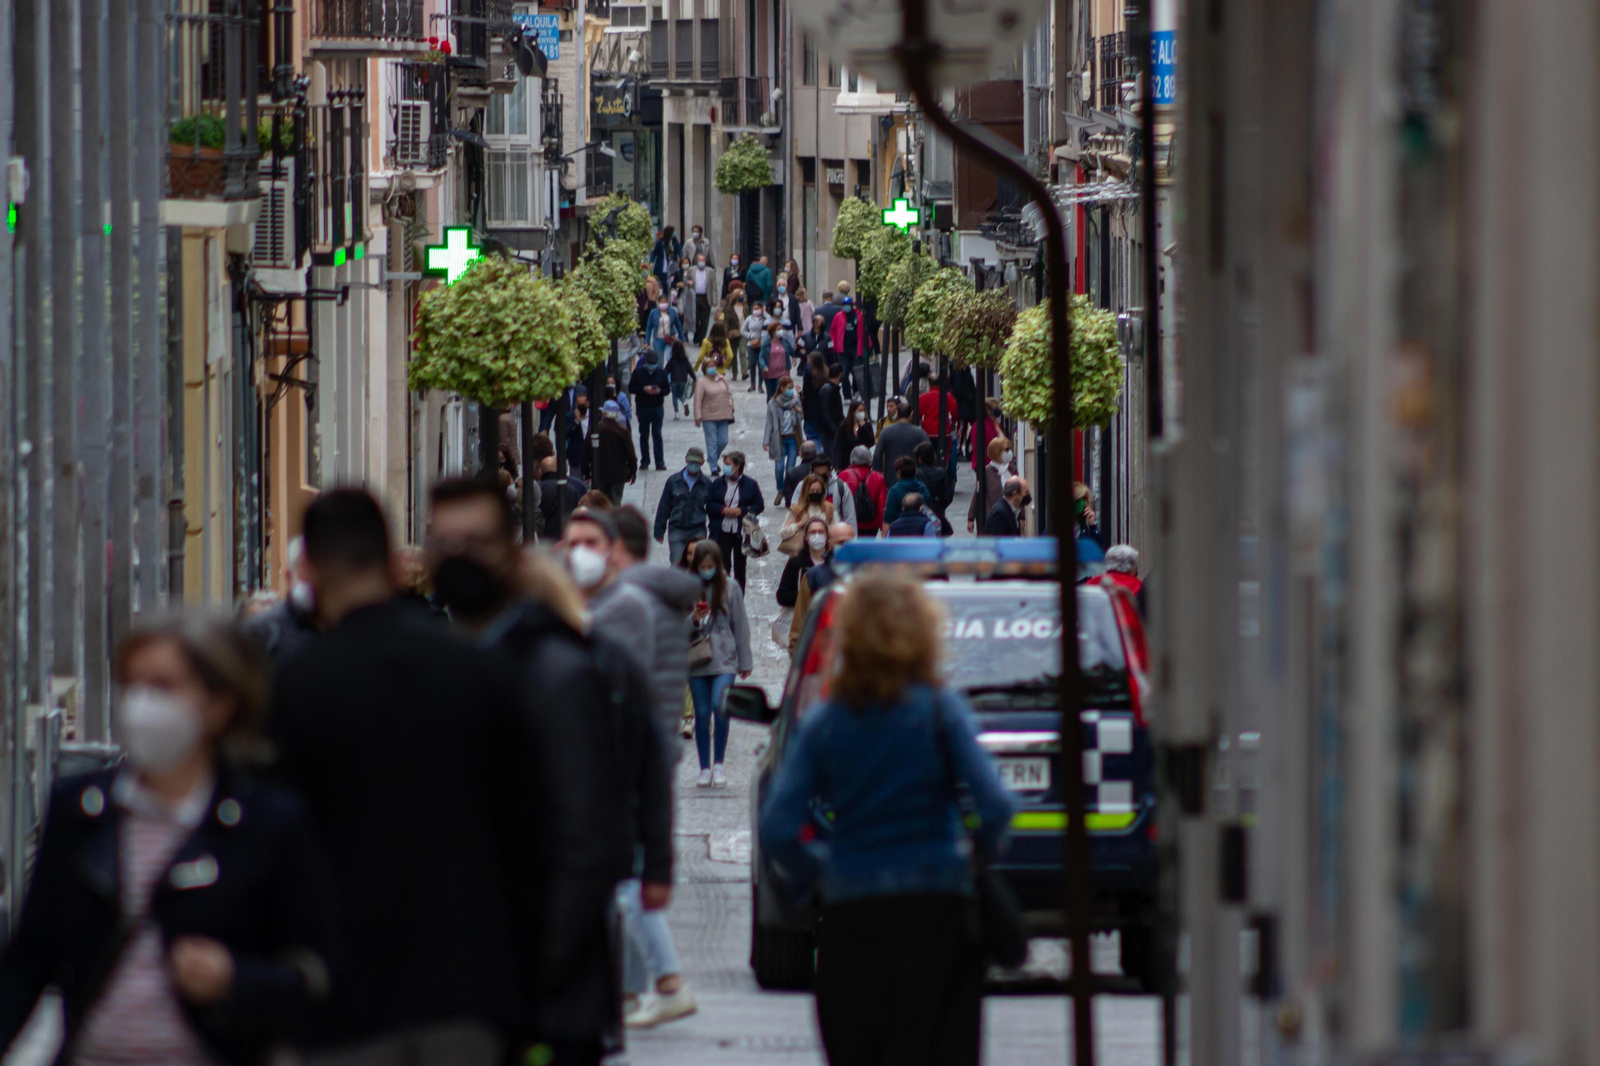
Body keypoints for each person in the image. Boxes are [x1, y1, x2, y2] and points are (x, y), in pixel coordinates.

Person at [0, 615, 339, 1066]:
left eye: (163, 686)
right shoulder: (81, 810)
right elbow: (30, 958)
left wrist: (235, 979)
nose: (141, 703)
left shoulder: (266, 825)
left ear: (218, 705)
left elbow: (317, 974)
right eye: (132, 684)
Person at [270, 488, 530, 1064]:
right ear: (394, 562)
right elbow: (530, 835)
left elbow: (278, 843)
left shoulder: (298, 685)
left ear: (308, 568)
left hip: (346, 998)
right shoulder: (479, 672)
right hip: (467, 990)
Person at [426, 481, 670, 1066]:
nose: (459, 556)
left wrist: (536, 965)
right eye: (445, 541)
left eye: (476, 541)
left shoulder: (564, 672)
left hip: (540, 999)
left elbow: (593, 828)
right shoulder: (445, 667)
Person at [759, 573, 1015, 1066]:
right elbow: (997, 807)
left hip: (853, 913)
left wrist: (818, 876)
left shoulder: (826, 722)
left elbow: (778, 827)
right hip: (937, 907)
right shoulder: (940, 710)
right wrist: (971, 859)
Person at [687, 542, 753, 788]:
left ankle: (719, 764)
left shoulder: (731, 587)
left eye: (710, 566)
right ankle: (704, 767)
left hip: (724, 657)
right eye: (702, 566)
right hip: (696, 658)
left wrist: (745, 661)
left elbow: (740, 625)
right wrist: (693, 620)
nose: (706, 570)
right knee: (702, 713)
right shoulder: (687, 589)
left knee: (720, 705)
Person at [243, 534, 321, 668]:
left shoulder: (347, 629)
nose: (308, 576)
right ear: (288, 576)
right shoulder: (263, 632)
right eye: (302, 568)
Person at [788, 522, 855, 655]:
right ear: (830, 544)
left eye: (849, 542)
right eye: (841, 542)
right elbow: (801, 619)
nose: (845, 547)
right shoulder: (814, 577)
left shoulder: (867, 576)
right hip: (823, 654)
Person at [705, 450, 764, 590]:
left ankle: (738, 597)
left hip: (741, 531)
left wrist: (741, 511)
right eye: (724, 464)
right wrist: (723, 510)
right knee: (722, 565)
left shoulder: (751, 484)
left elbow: (759, 505)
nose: (725, 467)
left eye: (728, 464)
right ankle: (721, 594)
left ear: (737, 466)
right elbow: (709, 504)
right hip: (722, 529)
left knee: (740, 567)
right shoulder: (718, 483)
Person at [654, 446, 713, 567]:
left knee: (697, 564)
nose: (693, 465)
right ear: (686, 460)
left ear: (702, 463)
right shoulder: (673, 481)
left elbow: (712, 509)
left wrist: (714, 532)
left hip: (698, 530)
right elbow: (664, 506)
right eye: (691, 462)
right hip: (677, 528)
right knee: (677, 564)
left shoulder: (706, 484)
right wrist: (659, 531)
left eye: (696, 463)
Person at [583, 399, 638, 505]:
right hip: (618, 474)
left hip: (599, 473)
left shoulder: (595, 429)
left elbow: (586, 452)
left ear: (604, 413)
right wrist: (632, 471)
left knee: (599, 503)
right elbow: (630, 454)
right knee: (615, 502)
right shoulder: (622, 431)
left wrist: (586, 472)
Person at [629, 345, 671, 471]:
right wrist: (643, 389)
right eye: (650, 364)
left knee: (657, 434)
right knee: (644, 434)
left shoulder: (661, 373)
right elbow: (631, 388)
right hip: (643, 407)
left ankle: (660, 461)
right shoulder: (638, 372)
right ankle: (645, 461)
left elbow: (667, 389)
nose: (652, 367)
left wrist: (659, 391)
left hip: (657, 406)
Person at [693, 360, 736, 476]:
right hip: (709, 416)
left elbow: (728, 394)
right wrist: (698, 416)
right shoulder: (701, 382)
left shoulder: (722, 379)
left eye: (714, 366)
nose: (712, 368)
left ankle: (712, 458)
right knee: (711, 441)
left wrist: (731, 404)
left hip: (724, 414)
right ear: (705, 368)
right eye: (709, 366)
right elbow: (697, 400)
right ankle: (713, 466)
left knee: (723, 440)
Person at [777, 516, 831, 609]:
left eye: (820, 532)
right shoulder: (796, 563)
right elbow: (782, 596)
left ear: (827, 536)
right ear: (806, 537)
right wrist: (805, 596)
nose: (817, 536)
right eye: (813, 532)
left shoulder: (834, 563)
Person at [966, 435, 1017, 533]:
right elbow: (977, 494)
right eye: (1006, 450)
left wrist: (1021, 516)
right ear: (997, 452)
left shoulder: (1012, 470)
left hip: (1011, 518)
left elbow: (1019, 492)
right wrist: (970, 518)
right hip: (992, 519)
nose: (1009, 452)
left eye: (1009, 449)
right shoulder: (986, 471)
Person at [837, 444, 888, 538]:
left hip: (850, 523)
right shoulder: (878, 477)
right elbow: (882, 506)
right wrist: (883, 528)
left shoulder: (843, 476)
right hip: (872, 524)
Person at [765, 374, 804, 494]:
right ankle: (780, 489)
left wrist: (798, 410)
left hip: (792, 439)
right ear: (781, 388)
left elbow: (801, 416)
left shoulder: (795, 400)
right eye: (788, 388)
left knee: (790, 469)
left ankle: (788, 491)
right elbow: (769, 423)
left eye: (791, 388)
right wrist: (766, 441)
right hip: (779, 439)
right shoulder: (773, 403)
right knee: (779, 468)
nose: (790, 391)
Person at [872, 397, 931, 476]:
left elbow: (877, 455)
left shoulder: (885, 431)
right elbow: (928, 452)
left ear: (898, 413)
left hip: (891, 476)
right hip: (914, 476)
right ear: (911, 414)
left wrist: (877, 474)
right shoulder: (920, 433)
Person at [780, 473, 836, 554]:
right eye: (812, 491)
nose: (815, 493)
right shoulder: (797, 509)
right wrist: (799, 524)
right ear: (806, 491)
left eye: (818, 491)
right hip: (801, 553)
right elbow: (783, 533)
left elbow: (836, 531)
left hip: (825, 552)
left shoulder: (829, 509)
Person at [829, 291, 869, 400]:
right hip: (842, 350)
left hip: (856, 349)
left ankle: (855, 391)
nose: (846, 307)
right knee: (844, 374)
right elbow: (833, 331)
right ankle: (847, 395)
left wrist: (868, 346)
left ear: (852, 305)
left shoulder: (859, 316)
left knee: (857, 372)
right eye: (844, 305)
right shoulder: (838, 317)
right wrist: (834, 345)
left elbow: (864, 332)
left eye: (848, 305)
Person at [913, 439, 955, 536]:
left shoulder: (915, 474)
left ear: (919, 458)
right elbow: (948, 496)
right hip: (937, 514)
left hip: (918, 515)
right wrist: (939, 506)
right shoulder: (941, 473)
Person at [805, 453, 857, 530]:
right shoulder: (803, 486)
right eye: (817, 475)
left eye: (824, 475)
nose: (821, 479)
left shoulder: (841, 487)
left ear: (830, 470)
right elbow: (796, 510)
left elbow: (850, 517)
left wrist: (851, 539)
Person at [539, 454, 587, 535]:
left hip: (542, 539)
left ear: (541, 472)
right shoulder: (574, 488)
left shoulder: (536, 489)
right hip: (566, 535)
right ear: (564, 470)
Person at [882, 456, 931, 526]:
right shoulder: (923, 487)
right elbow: (927, 505)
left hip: (900, 529)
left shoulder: (894, 490)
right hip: (920, 528)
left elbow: (888, 517)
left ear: (899, 472)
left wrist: (884, 534)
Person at [835, 399, 875, 472]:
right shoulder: (844, 425)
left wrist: (863, 428)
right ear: (853, 412)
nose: (862, 412)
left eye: (863, 410)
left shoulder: (867, 425)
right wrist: (838, 464)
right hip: (846, 462)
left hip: (862, 463)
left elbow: (871, 442)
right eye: (860, 410)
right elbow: (839, 445)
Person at [740, 300, 771, 392]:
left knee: (761, 364)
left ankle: (760, 385)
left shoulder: (765, 319)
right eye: (754, 309)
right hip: (751, 344)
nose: (756, 310)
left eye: (758, 309)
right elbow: (742, 331)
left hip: (762, 344)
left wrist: (764, 313)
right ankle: (752, 384)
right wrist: (750, 336)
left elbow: (771, 321)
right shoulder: (749, 319)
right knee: (752, 363)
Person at [760, 320, 795, 399]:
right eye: (779, 329)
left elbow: (793, 352)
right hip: (769, 374)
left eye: (781, 329)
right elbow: (761, 356)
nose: (781, 331)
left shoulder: (785, 342)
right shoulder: (766, 344)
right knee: (771, 396)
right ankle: (771, 410)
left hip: (783, 373)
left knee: (780, 395)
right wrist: (763, 366)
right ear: (773, 331)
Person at [644, 294, 684, 362]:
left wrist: (682, 339)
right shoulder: (653, 313)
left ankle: (669, 372)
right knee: (659, 360)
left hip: (670, 338)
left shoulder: (672, 312)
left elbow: (678, 325)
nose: (664, 304)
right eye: (662, 302)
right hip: (658, 339)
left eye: (665, 302)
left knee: (670, 358)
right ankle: (661, 372)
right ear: (658, 303)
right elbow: (649, 327)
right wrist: (646, 342)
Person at [801, 351, 829, 444]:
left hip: (810, 409)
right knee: (820, 436)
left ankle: (815, 455)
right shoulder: (826, 373)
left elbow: (806, 392)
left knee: (812, 435)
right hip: (823, 408)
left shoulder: (809, 373)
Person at [782, 441, 821, 505]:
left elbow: (788, 499)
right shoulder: (822, 472)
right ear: (816, 453)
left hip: (799, 509)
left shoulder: (791, 472)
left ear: (800, 454)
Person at [666, 338, 696, 418]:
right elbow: (690, 370)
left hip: (674, 380)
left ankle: (677, 413)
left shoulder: (672, 360)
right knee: (680, 395)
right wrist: (694, 379)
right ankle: (684, 403)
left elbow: (666, 370)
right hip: (683, 380)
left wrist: (663, 378)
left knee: (674, 396)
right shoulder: (685, 360)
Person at [972, 397, 1002, 473]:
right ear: (989, 411)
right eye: (996, 408)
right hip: (988, 463)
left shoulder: (994, 424)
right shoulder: (981, 425)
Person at [1075, 481, 1108, 548]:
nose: (1082, 503)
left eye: (1084, 499)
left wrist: (1092, 526)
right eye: (1078, 500)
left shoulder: (1085, 526)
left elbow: (1099, 549)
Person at [650, 225, 681, 291]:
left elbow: (680, 251)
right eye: (673, 232)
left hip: (672, 267)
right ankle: (665, 299)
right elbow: (654, 253)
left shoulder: (675, 242)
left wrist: (683, 260)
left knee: (671, 285)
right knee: (664, 286)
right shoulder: (660, 242)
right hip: (662, 268)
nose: (674, 233)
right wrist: (651, 262)